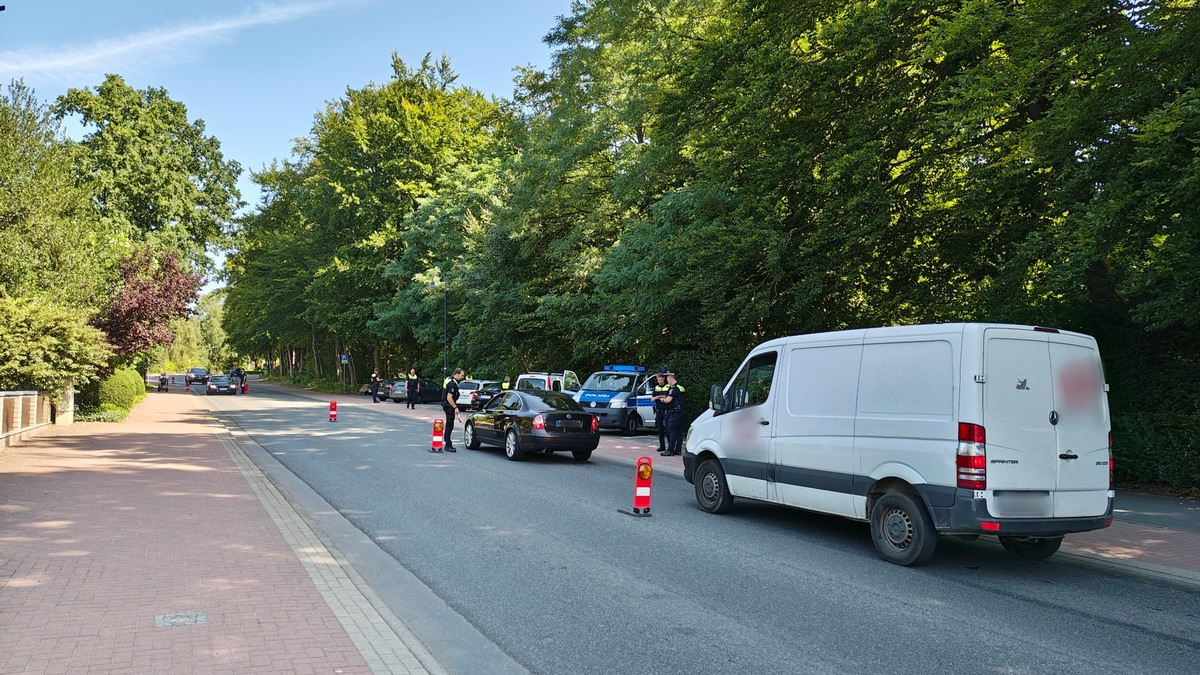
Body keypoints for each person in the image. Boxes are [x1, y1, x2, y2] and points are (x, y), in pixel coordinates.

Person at [437, 368, 465, 453]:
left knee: (449, 424)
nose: (463, 377)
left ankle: (447, 442)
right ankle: (448, 445)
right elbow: (449, 398)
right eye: (462, 375)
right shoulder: (452, 384)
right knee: (450, 425)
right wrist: (455, 407)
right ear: (457, 374)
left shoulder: (449, 379)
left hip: (446, 404)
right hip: (449, 406)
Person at [661, 372, 686, 457]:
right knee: (679, 431)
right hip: (681, 412)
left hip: (675, 412)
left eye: (668, 381)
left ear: (671, 380)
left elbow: (668, 400)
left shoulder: (674, 388)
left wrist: (663, 400)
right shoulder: (681, 387)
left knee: (671, 430)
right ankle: (678, 450)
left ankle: (670, 450)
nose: (668, 383)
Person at [651, 371, 670, 453]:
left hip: (666, 410)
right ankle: (662, 446)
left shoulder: (668, 386)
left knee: (668, 429)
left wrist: (659, 397)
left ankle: (670, 446)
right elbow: (652, 399)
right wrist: (657, 397)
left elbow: (668, 397)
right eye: (658, 380)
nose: (659, 381)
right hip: (658, 410)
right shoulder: (656, 387)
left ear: (664, 378)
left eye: (660, 379)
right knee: (660, 429)